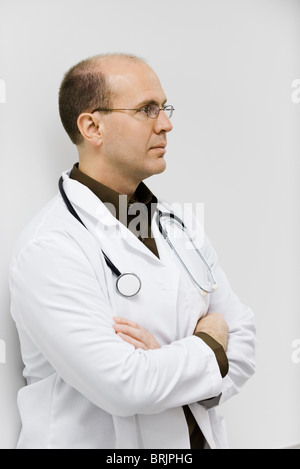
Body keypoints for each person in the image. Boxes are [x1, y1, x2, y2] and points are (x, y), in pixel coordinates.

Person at [9, 53, 256, 449]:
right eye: (147, 110)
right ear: (92, 126)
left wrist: (166, 361)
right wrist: (208, 345)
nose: (166, 124)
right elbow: (125, 385)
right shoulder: (50, 247)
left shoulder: (180, 227)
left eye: (164, 108)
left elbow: (243, 338)